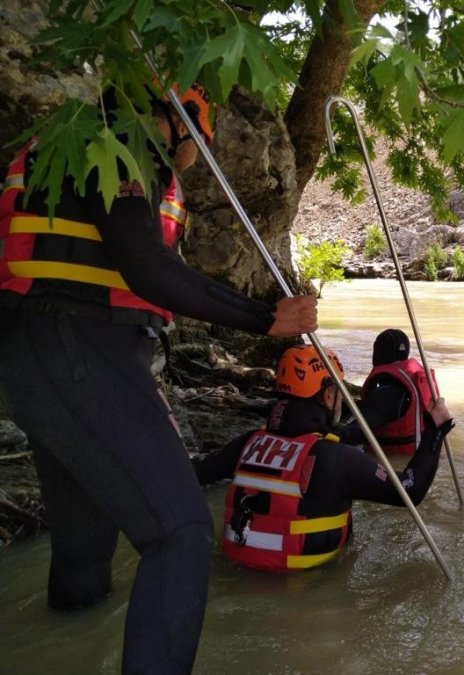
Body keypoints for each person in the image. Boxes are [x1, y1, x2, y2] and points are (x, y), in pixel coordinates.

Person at [0, 81, 317, 674]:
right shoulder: (124, 142)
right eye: (205, 131)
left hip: (37, 359)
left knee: (84, 555)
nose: (202, 151)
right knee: (179, 533)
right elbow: (146, 267)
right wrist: (262, 315)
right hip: (80, 352)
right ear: (184, 117)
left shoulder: (75, 141)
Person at [194, 344, 453, 573]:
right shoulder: (337, 458)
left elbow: (194, 473)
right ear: (329, 395)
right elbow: (411, 489)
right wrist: (436, 431)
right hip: (305, 586)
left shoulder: (248, 443)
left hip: (236, 570)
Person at [337, 328, 439, 456]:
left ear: (378, 354)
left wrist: (326, 437)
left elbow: (358, 432)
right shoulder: (417, 380)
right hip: (422, 457)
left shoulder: (386, 391)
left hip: (395, 464)